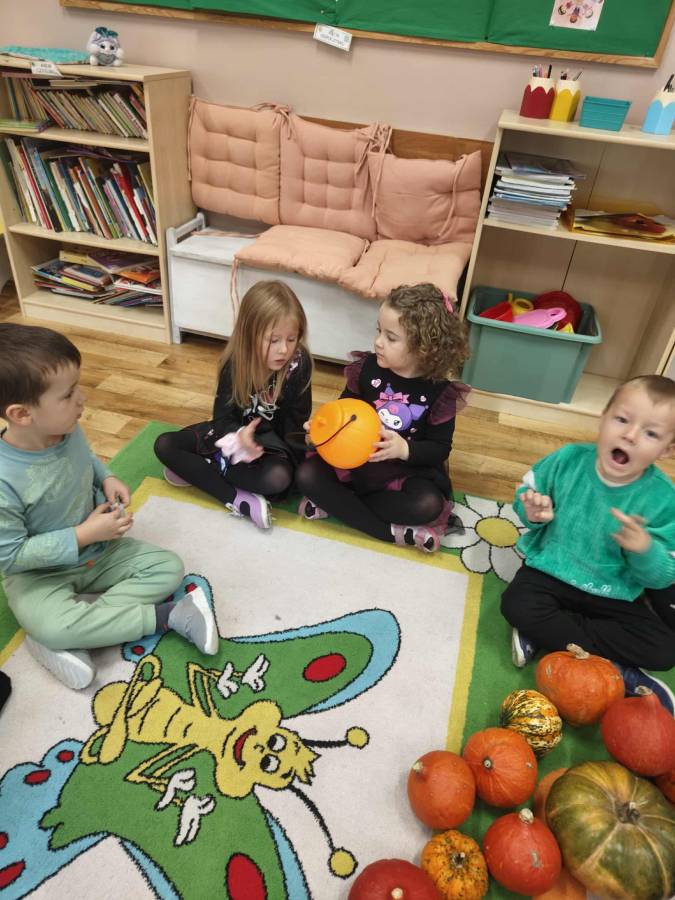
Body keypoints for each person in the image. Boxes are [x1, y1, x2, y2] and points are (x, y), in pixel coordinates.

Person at [0, 324, 218, 691]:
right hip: (38, 576)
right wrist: (82, 534)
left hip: (98, 552)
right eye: (68, 394)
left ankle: (72, 636)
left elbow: (85, 457)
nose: (82, 399)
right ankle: (166, 617)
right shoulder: (4, 478)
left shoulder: (67, 428)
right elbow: (10, 557)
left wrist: (107, 477)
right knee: (52, 623)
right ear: (22, 414)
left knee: (168, 568)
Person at [502, 374, 675, 713]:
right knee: (515, 604)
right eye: (622, 419)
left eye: (650, 433)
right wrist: (533, 511)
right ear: (603, 417)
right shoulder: (568, 459)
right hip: (552, 571)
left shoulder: (664, 499)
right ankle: (614, 667)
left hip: (613, 592)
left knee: (664, 650)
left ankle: (549, 634)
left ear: (667, 449)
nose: (629, 435)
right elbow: (526, 493)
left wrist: (645, 550)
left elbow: (662, 577)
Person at [295, 283, 470, 553]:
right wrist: (323, 428)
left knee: (428, 505)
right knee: (306, 474)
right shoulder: (367, 369)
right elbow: (343, 409)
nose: (378, 342)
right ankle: (385, 531)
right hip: (354, 463)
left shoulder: (439, 392)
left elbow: (439, 448)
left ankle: (339, 504)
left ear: (424, 347)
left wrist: (404, 449)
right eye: (379, 331)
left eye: (391, 337)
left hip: (402, 472)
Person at [154, 280, 312, 530]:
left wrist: (295, 471)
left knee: (278, 479)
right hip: (232, 437)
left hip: (271, 448)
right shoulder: (235, 362)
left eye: (291, 339)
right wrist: (239, 436)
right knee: (165, 444)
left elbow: (295, 426)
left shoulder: (298, 364)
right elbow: (222, 418)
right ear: (249, 335)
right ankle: (237, 498)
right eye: (273, 340)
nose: (284, 349)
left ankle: (201, 473)